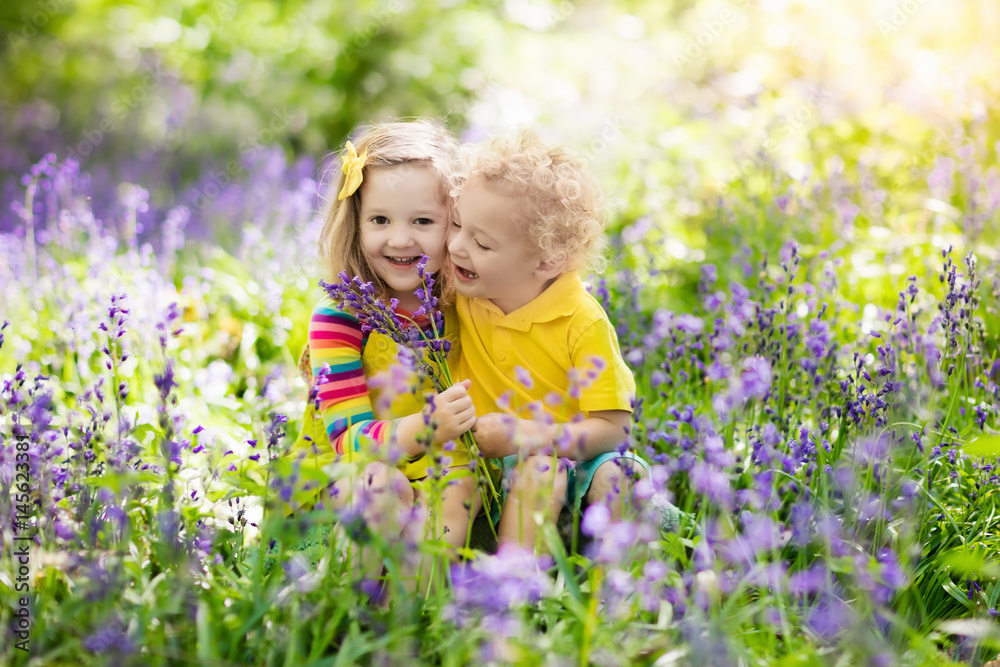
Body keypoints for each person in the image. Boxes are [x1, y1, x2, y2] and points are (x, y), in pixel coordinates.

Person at [288, 120, 482, 563]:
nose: (399, 239)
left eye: (423, 221)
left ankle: (414, 602)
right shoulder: (340, 317)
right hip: (349, 480)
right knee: (382, 483)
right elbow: (350, 443)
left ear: (455, 224)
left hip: (435, 472)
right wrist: (427, 426)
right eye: (379, 220)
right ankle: (358, 606)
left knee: (462, 483)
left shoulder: (461, 306)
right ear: (355, 224)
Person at [448, 130, 648, 551]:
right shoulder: (459, 293)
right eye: (456, 225)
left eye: (481, 242)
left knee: (616, 480)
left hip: (578, 455)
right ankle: (511, 598)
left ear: (548, 260)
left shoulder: (581, 321)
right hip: (488, 460)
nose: (455, 246)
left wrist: (529, 436)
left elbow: (615, 427)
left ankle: (605, 597)